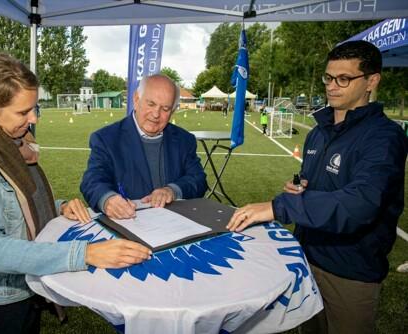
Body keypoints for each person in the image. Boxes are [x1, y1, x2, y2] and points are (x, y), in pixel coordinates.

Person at [0, 53, 151, 333]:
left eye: (34, 108)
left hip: (22, 291)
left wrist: (58, 206)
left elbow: (13, 207)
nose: (33, 118)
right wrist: (85, 253)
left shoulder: (7, 146)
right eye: (22, 112)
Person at [227, 41, 407, 334]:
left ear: (372, 81)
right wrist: (299, 188)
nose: (332, 86)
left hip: (349, 271)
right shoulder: (319, 131)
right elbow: (315, 184)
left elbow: (358, 204)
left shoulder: (383, 138)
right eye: (328, 77)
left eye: (344, 79)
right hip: (305, 258)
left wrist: (278, 206)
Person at [81, 74, 207, 219]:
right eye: (151, 104)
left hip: (175, 227)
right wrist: (107, 199)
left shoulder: (185, 140)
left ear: (172, 111)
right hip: (129, 228)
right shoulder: (106, 139)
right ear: (136, 99)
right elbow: (92, 180)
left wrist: (172, 190)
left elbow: (198, 180)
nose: (156, 114)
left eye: (165, 109)